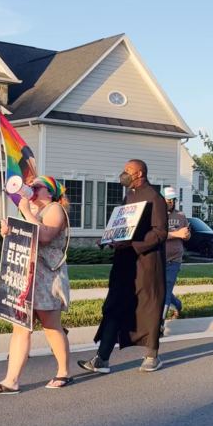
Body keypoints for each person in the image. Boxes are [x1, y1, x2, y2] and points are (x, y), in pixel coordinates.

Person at [0, 176, 73, 394]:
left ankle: (64, 372)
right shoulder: (29, 210)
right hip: (25, 273)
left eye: (36, 187)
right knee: (20, 326)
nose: (30, 189)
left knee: (50, 325)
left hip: (46, 274)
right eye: (30, 186)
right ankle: (10, 380)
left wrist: (27, 212)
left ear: (49, 193)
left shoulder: (54, 209)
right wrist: (8, 231)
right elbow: (24, 237)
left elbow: (46, 236)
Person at [78, 160, 168, 373]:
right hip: (124, 261)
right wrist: (109, 238)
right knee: (113, 306)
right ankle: (102, 358)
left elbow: (160, 232)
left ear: (139, 173)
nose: (123, 173)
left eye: (128, 170)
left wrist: (134, 244)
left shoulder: (155, 198)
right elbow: (123, 226)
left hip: (146, 262)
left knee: (148, 307)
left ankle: (151, 355)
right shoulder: (128, 197)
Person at [160, 187, 190, 333]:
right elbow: (157, 236)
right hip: (158, 259)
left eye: (173, 200)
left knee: (165, 290)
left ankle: (160, 324)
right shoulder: (156, 216)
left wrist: (185, 235)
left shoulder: (181, 216)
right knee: (161, 290)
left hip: (174, 260)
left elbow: (187, 235)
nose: (171, 202)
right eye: (168, 200)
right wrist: (177, 233)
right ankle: (177, 305)